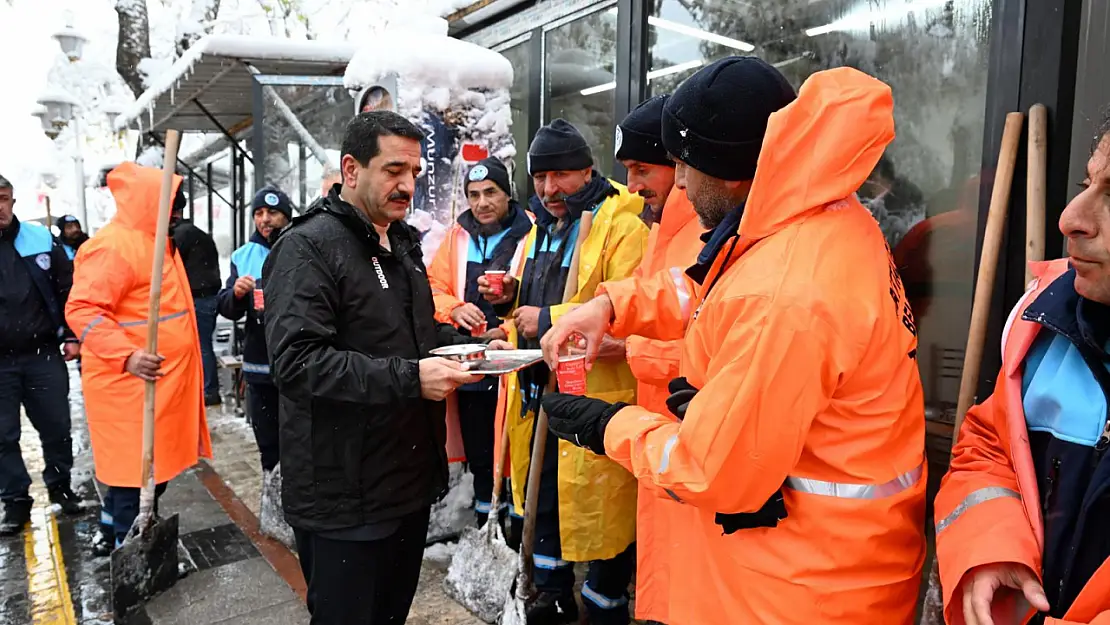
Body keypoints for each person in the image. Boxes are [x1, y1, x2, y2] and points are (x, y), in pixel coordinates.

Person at [537, 59, 927, 624]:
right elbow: (707, 295)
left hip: (797, 588)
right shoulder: (816, 220)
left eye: (682, 165)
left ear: (729, 172)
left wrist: (604, 425)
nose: (680, 185)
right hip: (828, 562)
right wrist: (611, 305)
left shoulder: (785, 291)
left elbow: (712, 470)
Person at [264, 111, 508, 625]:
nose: (408, 185)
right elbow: (299, 362)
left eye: (415, 173)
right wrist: (412, 378)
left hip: (405, 487)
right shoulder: (308, 247)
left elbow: (411, 334)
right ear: (351, 170)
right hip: (343, 499)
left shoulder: (401, 241)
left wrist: (471, 345)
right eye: (394, 170)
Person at [933, 122, 1110, 625]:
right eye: (1086, 186)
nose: (1070, 219)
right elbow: (989, 450)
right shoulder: (1047, 324)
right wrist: (991, 547)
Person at [477, 118, 648, 625]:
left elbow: (625, 312)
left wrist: (549, 318)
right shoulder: (540, 228)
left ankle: (604, 602)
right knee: (544, 501)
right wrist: (511, 298)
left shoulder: (624, 224)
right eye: (541, 178)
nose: (551, 189)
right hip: (538, 392)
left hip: (597, 397)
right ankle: (547, 594)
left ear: (589, 171)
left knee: (604, 509)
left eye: (563, 176)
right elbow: (530, 303)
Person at [65, 162, 212, 551]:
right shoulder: (114, 247)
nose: (178, 215)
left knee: (145, 474)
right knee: (136, 476)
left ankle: (112, 530)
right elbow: (83, 310)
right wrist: (126, 355)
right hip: (128, 387)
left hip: (154, 387)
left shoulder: (156, 241)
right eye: (172, 206)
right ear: (152, 204)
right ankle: (127, 550)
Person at [613, 95, 704, 625]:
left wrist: (631, 350)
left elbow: (711, 347)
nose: (633, 185)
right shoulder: (663, 229)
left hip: (689, 434)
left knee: (688, 584)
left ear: (681, 165)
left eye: (642, 169)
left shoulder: (702, 233)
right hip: (665, 433)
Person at [426, 157, 533, 529]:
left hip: (516, 367)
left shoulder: (532, 233)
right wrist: (454, 310)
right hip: (471, 367)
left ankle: (517, 528)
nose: (482, 202)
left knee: (517, 451)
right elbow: (433, 287)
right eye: (474, 195)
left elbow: (539, 294)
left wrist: (507, 328)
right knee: (480, 452)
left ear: (508, 195)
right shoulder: (456, 238)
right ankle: (488, 523)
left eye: (491, 193)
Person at [0, 175, 82, 535]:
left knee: (56, 426)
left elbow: (68, 289)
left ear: (12, 202)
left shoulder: (38, 239)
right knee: (2, 436)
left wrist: (73, 334)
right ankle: (15, 502)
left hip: (42, 354)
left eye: (2, 199)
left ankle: (61, 485)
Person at [217, 185, 291, 474]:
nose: (265, 219)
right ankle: (272, 491)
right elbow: (225, 307)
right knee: (269, 442)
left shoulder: (301, 247)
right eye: (258, 213)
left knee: (300, 439)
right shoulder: (242, 257)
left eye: (272, 212)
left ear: (285, 215)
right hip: (260, 366)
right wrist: (235, 294)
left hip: (298, 363)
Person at [171, 197, 223, 406]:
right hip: (209, 297)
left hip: (196, 297)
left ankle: (208, 390)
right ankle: (207, 388)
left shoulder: (179, 235)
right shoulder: (199, 233)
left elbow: (171, 267)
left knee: (200, 346)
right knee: (203, 344)